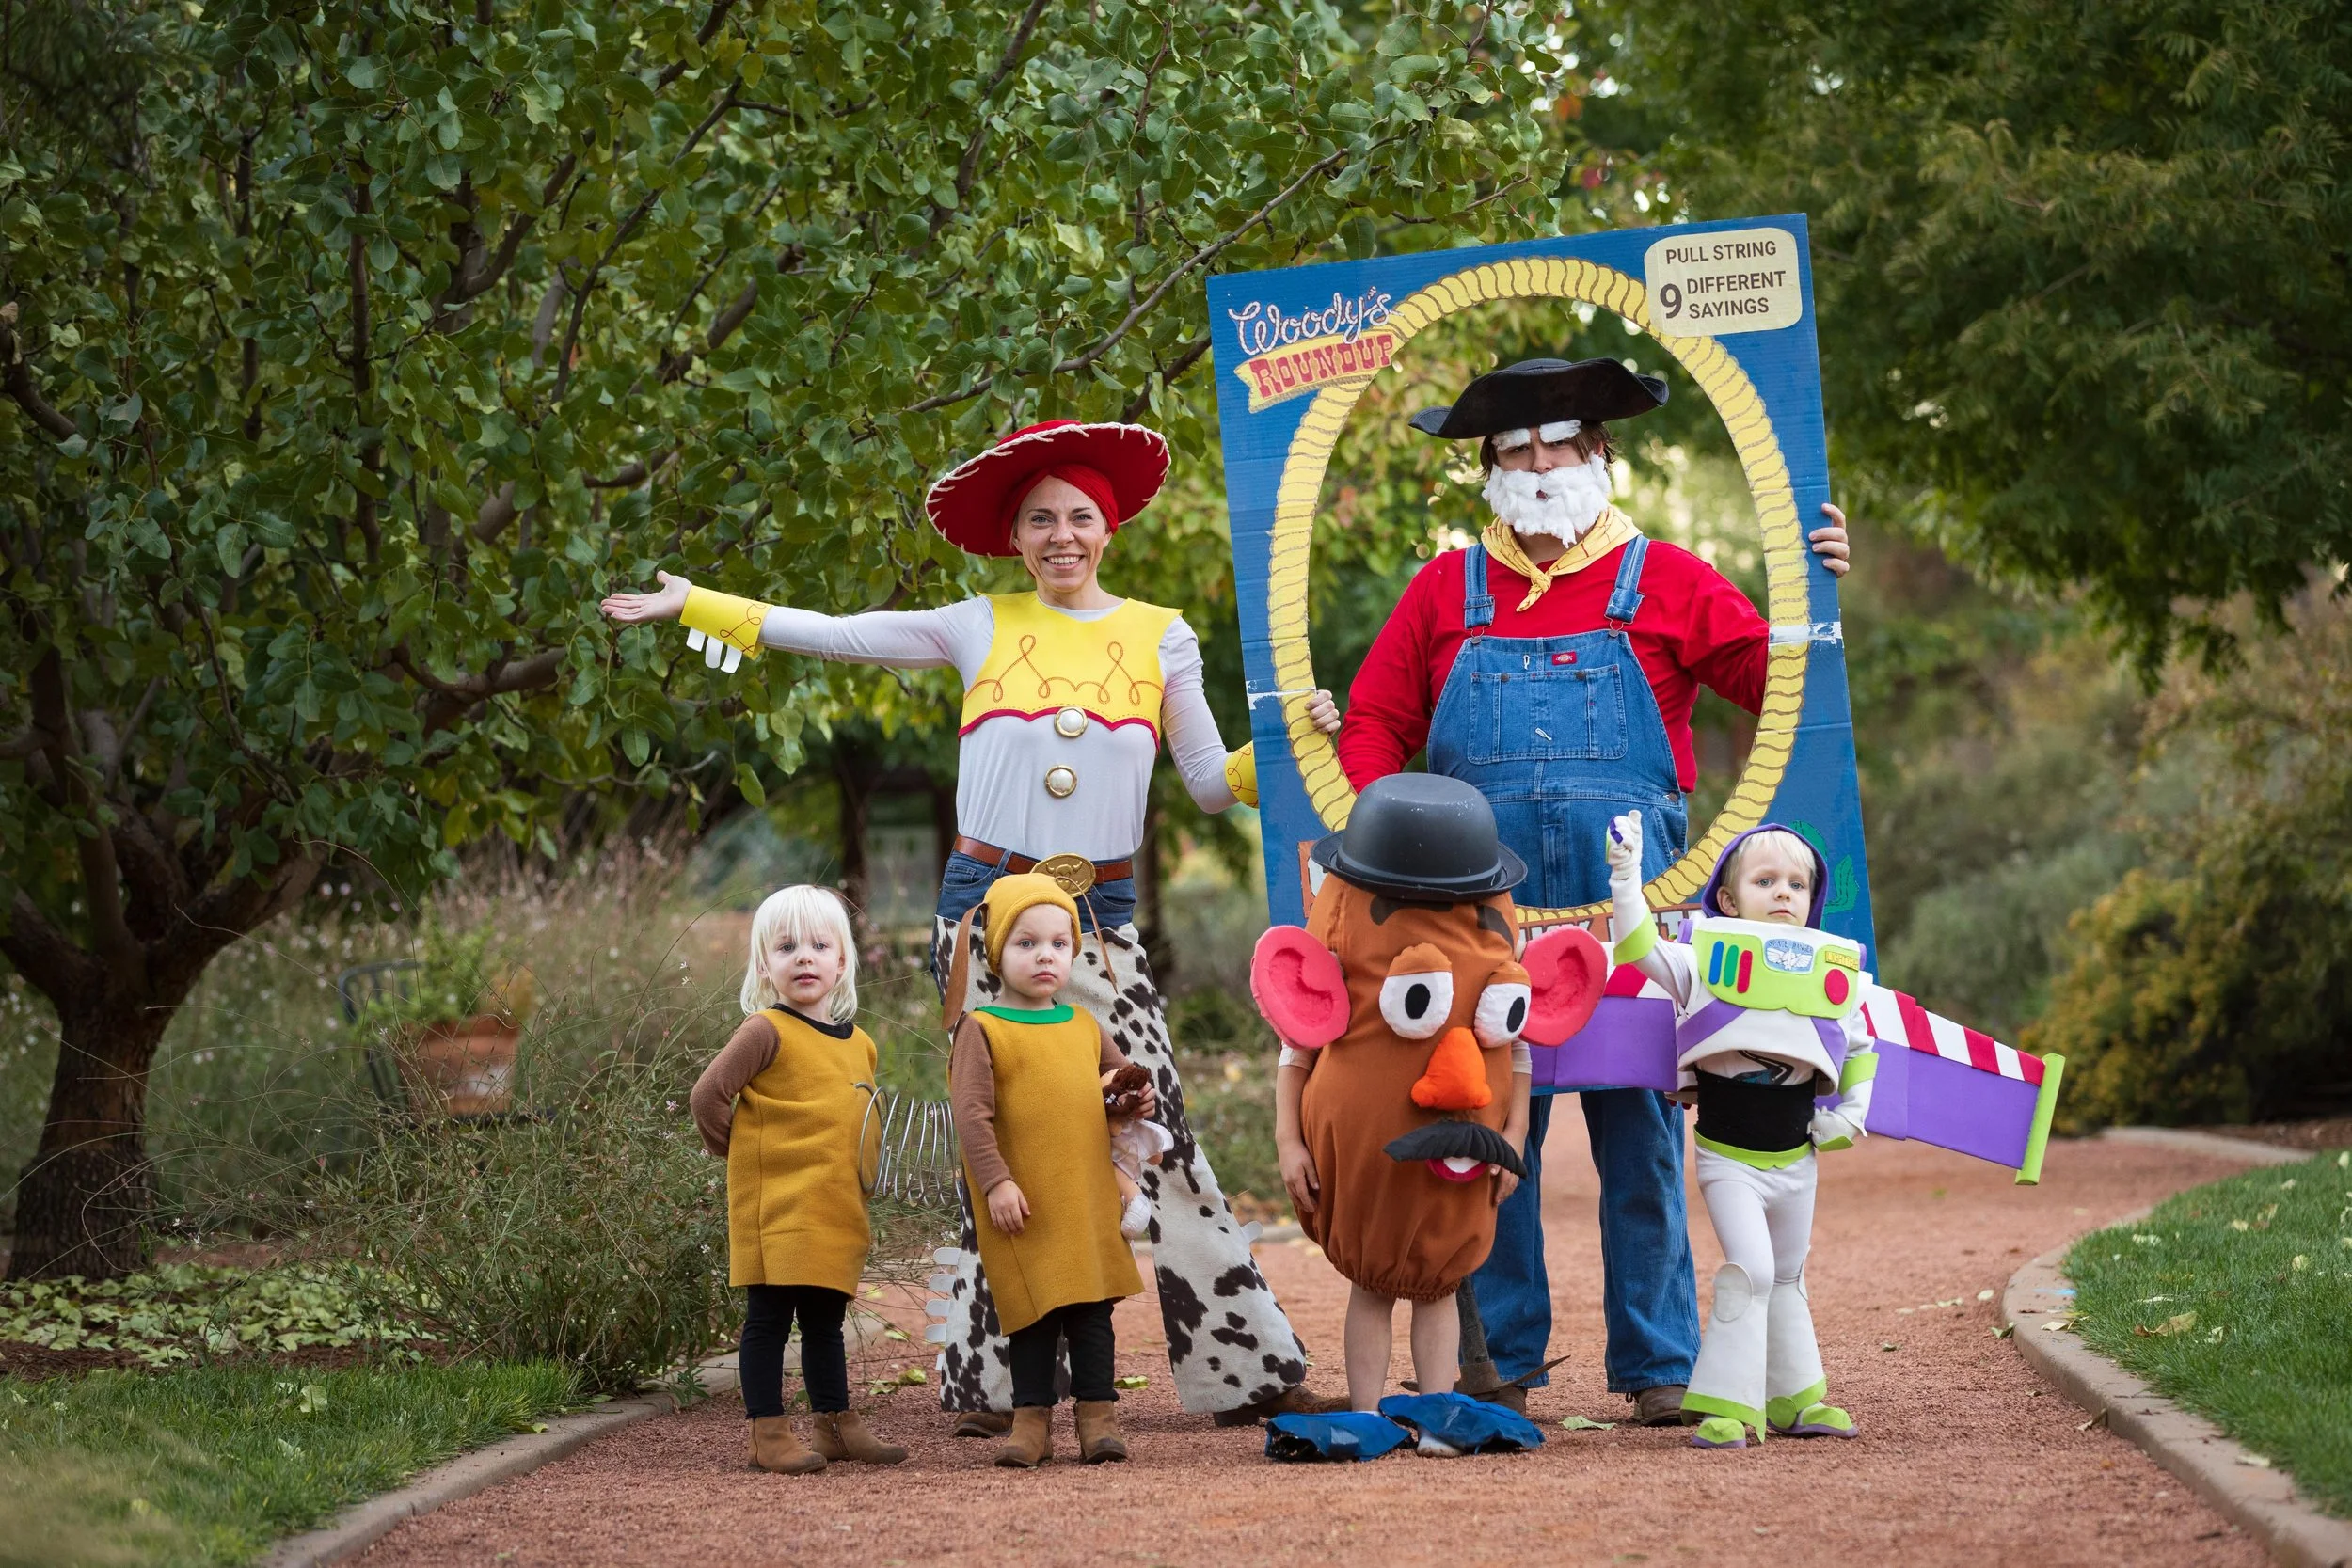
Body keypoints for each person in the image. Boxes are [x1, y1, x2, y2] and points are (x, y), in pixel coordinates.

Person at [602, 419, 1343, 1426]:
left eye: (1080, 516)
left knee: (1154, 1123)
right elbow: (837, 629)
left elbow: (1213, 784)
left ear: (1109, 526)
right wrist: (701, 603)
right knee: (994, 1135)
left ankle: (1244, 1362)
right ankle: (989, 1380)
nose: (1062, 534)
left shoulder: (1160, 633)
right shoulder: (975, 622)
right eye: (1041, 518)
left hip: (1100, 921)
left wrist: (1295, 741)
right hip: (983, 923)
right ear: (1016, 535)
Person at [1335, 356, 1854, 1424]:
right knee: (1490, 1140)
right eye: (1515, 449)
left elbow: (1777, 681)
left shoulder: (1665, 575)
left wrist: (1820, 592)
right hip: (1483, 923)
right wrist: (1390, 846)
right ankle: (1503, 1359)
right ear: (1489, 468)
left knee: (1642, 1134)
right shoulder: (1442, 590)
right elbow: (1375, 724)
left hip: (1637, 919)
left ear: (1597, 454)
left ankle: (1661, 1364)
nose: (1538, 464)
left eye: (1558, 441)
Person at [1605, 816, 1875, 1448]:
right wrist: (1625, 876)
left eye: (1798, 884)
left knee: (1787, 1274)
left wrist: (1852, 1114)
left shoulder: (1835, 971)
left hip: (1798, 1158)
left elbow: (1862, 1043)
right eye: (1765, 879)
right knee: (1749, 1269)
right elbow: (1640, 946)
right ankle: (1728, 1403)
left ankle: (1797, 1398)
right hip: (1729, 1159)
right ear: (1728, 899)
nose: (1785, 892)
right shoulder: (1704, 959)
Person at [689, 884, 906, 1475]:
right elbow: (708, 1095)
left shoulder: (859, 1043)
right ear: (765, 964)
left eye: (818, 945)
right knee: (769, 1319)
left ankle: (835, 1425)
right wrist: (744, 1156)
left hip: (834, 1206)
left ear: (842, 962)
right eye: (786, 947)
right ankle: (768, 1432)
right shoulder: (765, 1030)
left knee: (825, 1321)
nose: (803, 957)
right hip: (778, 1207)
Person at [946, 872, 1152, 1466]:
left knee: (1092, 1312)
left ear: (1074, 953)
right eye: (1026, 943)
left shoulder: (1084, 1027)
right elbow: (973, 1116)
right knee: (1032, 1313)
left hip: (1086, 1197)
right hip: (1023, 1200)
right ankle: (1031, 1422)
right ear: (997, 952)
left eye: (1058, 945)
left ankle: (1098, 1418)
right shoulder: (982, 1029)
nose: (1045, 956)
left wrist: (1138, 1101)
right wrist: (997, 1182)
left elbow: (1121, 1087)